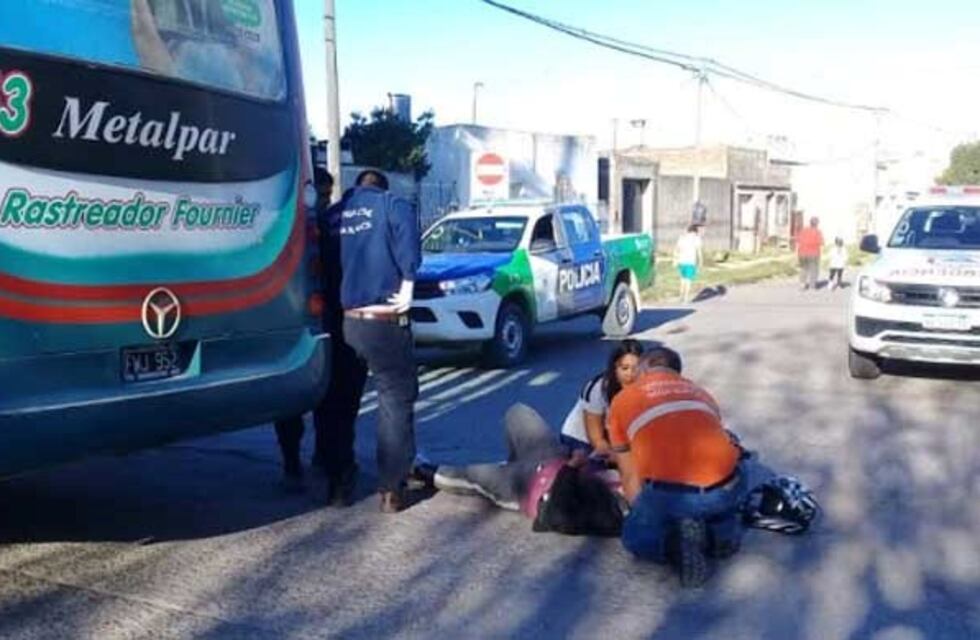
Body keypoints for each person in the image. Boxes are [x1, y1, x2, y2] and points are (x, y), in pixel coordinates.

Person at [609, 347, 747, 588]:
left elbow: (629, 471)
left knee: (635, 537)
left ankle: (675, 544)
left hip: (675, 495)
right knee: (717, 502)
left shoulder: (623, 399)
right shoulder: (702, 393)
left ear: (643, 368)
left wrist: (639, 511)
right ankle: (719, 535)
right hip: (729, 486)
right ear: (676, 372)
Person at [273, 169, 370, 500]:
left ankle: (325, 462)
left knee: (336, 402)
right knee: (300, 404)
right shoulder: (290, 233)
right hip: (306, 324)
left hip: (334, 324)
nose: (323, 203)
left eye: (327, 197)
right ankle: (296, 464)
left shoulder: (333, 228)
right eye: (320, 197)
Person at [338, 169, 421, 514]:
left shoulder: (338, 212)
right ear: (382, 188)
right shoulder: (392, 205)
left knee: (342, 403)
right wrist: (408, 285)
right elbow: (409, 256)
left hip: (347, 320)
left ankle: (338, 480)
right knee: (396, 398)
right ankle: (392, 487)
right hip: (383, 320)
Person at [428, 403, 624, 537]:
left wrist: (573, 467)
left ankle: (426, 472)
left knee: (475, 474)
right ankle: (514, 461)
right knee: (519, 412)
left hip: (528, 488)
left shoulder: (608, 517)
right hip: (552, 457)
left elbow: (558, 515)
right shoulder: (636, 484)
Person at [560, 339, 644, 453]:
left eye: (636, 368)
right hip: (580, 440)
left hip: (612, 438)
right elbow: (597, 440)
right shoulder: (597, 389)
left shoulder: (645, 386)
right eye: (624, 368)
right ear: (614, 368)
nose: (630, 374)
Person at [673, 225, 703, 303]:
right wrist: (700, 262)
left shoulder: (682, 237)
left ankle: (681, 296)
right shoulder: (696, 239)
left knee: (682, 279)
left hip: (681, 261)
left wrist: (675, 260)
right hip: (691, 262)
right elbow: (699, 252)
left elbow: (676, 249)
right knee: (688, 280)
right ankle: (685, 298)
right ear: (695, 232)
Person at [796, 216, 824, 291]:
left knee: (803, 269)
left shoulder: (803, 230)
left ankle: (802, 284)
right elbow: (821, 242)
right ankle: (812, 285)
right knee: (814, 269)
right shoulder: (818, 232)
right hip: (814, 253)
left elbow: (798, 241)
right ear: (816, 224)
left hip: (802, 253)